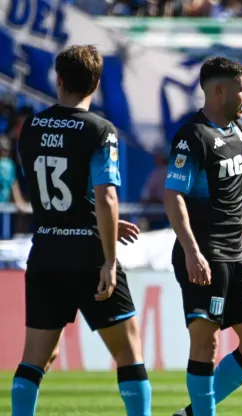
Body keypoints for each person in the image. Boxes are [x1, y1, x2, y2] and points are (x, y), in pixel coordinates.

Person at [12, 44, 151, 416]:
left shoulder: (32, 127)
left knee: (36, 358)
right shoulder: (100, 130)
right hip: (88, 256)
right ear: (97, 83)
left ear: (58, 80)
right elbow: (105, 196)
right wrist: (109, 260)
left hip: (45, 255)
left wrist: (85, 214)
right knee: (128, 352)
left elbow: (46, 193)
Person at [165, 57, 242, 416]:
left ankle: (191, 414)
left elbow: (226, 188)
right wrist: (192, 251)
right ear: (219, 91)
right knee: (205, 343)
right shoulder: (192, 136)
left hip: (235, 253)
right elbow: (173, 195)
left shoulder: (237, 131)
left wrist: (236, 223)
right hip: (205, 254)